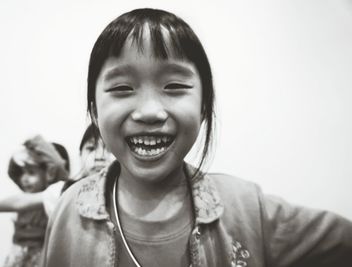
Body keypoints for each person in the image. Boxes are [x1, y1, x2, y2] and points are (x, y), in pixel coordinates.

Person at [40, 8, 352, 267]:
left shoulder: (247, 209)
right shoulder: (69, 211)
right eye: (122, 89)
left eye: (174, 87)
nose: (150, 111)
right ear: (95, 112)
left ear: (203, 107)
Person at [0, 135, 70, 267]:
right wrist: (21, 155)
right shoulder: (22, 198)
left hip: (41, 258)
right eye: (23, 173)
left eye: (31, 173)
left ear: (49, 173)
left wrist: (34, 141)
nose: (24, 179)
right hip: (17, 256)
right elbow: (12, 172)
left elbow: (57, 164)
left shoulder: (52, 198)